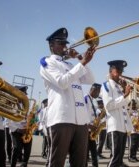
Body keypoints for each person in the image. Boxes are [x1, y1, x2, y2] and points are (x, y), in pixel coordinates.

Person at [40, 27, 96, 167]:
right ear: (51, 45)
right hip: (62, 118)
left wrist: (80, 59)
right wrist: (82, 63)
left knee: (80, 162)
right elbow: (62, 82)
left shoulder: (71, 64)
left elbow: (90, 79)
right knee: (57, 162)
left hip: (80, 120)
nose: (65, 46)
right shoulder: (48, 63)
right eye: (60, 43)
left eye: (65, 43)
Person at [101, 60, 133, 167]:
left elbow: (125, 104)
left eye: (121, 71)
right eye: (118, 70)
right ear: (111, 70)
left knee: (119, 160)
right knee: (115, 158)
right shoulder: (106, 85)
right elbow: (109, 106)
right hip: (114, 126)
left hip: (122, 126)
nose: (120, 73)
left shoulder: (119, 87)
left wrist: (124, 91)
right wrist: (124, 95)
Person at [9, 86, 33, 167]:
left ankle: (24, 164)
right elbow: (8, 119)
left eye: (25, 94)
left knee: (27, 150)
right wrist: (18, 129)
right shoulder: (11, 104)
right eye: (24, 94)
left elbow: (30, 118)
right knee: (16, 148)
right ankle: (13, 164)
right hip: (16, 130)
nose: (26, 96)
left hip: (26, 130)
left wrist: (31, 122)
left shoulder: (27, 104)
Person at [84, 83, 101, 167]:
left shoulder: (91, 100)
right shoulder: (86, 99)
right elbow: (83, 114)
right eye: (98, 92)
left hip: (91, 130)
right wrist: (89, 125)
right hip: (86, 130)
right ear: (93, 90)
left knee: (94, 151)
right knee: (85, 153)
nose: (98, 94)